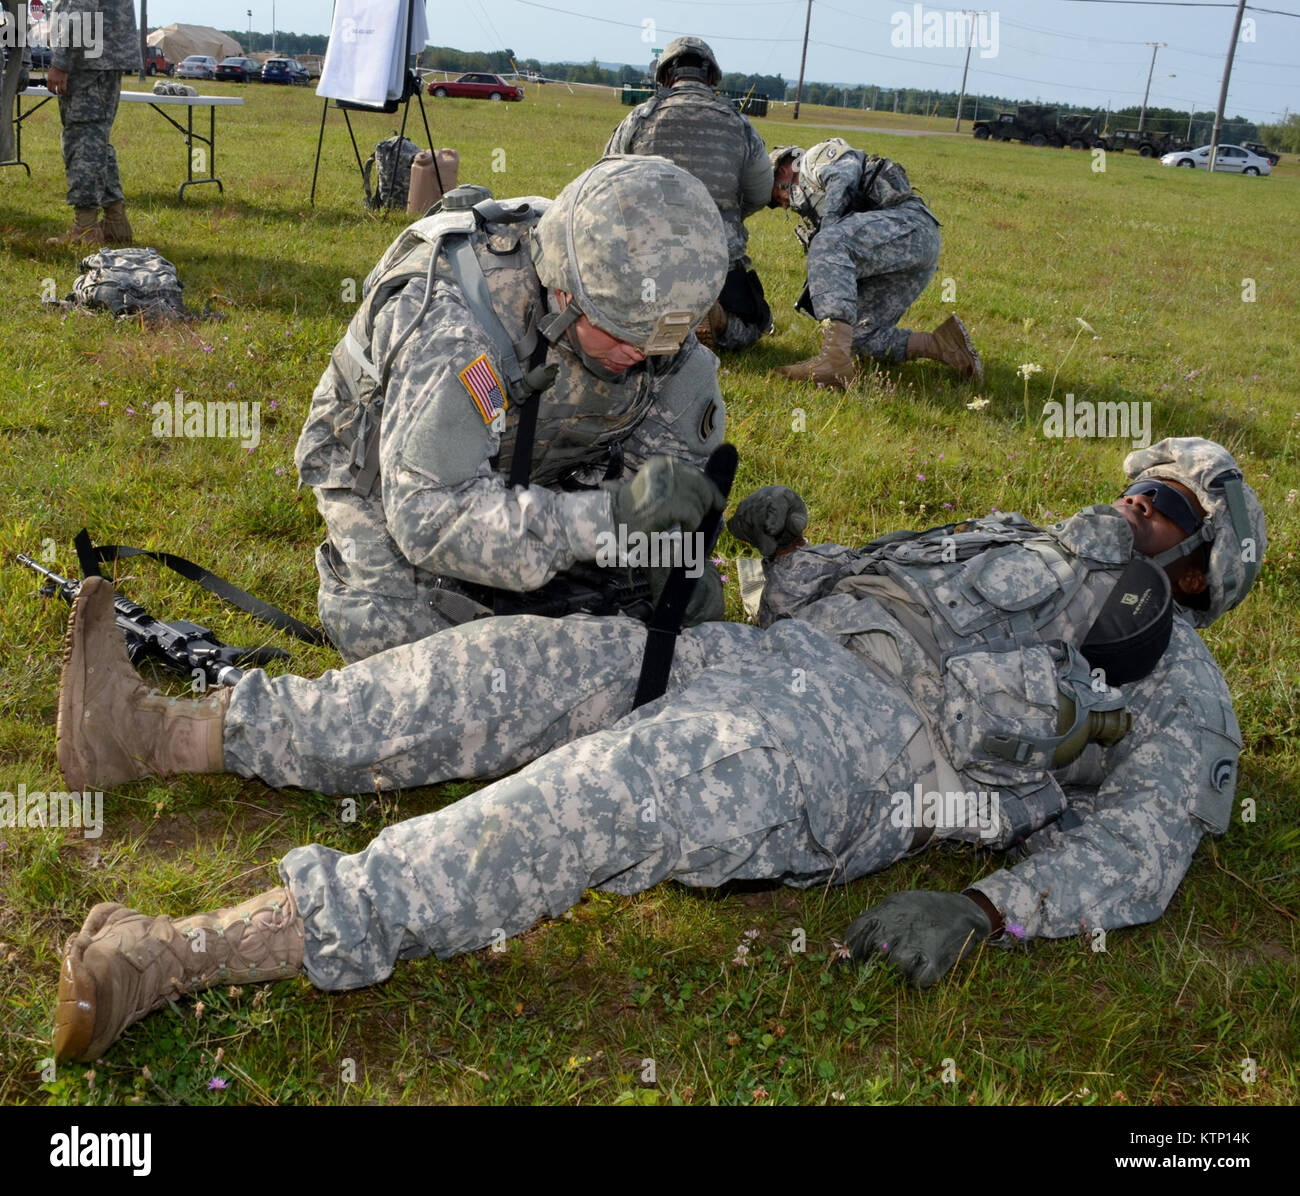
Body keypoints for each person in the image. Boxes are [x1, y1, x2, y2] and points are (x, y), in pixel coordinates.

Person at [51, 438, 1264, 1061]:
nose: (1129, 508)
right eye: (1138, 485)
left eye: (1164, 509)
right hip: (756, 659)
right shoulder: (1020, 542)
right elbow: (824, 600)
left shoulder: (1174, 682)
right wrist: (787, 558)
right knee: (501, 666)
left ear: (1203, 570)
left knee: (586, 799)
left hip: (846, 762)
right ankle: (157, 734)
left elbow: (1142, 849)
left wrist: (994, 907)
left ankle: (182, 956)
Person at [295, 156, 732, 663]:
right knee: (408, 644)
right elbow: (429, 516)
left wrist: (670, 553)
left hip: (544, 463)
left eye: (667, 339)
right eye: (624, 335)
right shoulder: (458, 327)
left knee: (636, 619)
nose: (645, 355)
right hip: (397, 478)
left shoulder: (655, 328)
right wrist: (599, 521)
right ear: (564, 291)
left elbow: (670, 478)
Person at [604, 37, 774, 352]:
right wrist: (727, 216)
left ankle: (656, 318)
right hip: (715, 264)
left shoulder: (640, 119)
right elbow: (760, 193)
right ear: (711, 78)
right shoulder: (739, 124)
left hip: (649, 262)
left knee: (623, 311)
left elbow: (606, 182)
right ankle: (716, 317)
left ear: (666, 77)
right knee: (752, 327)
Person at [774, 138, 982, 390]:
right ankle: (941, 345)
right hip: (903, 251)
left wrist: (827, 232)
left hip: (910, 227)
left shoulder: (812, 161)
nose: (784, 204)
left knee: (828, 242)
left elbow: (845, 173)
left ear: (784, 169)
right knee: (858, 336)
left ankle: (832, 362)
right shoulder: (816, 206)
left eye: (778, 196)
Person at [44, 0, 139, 246]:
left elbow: (79, 13)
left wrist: (62, 61)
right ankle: (115, 223)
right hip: (100, 58)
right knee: (97, 142)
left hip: (87, 62)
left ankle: (85, 229)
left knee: (83, 141)